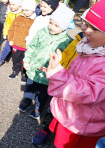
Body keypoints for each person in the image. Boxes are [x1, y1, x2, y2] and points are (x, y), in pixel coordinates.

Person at [44, 0, 105, 148]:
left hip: (85, 125)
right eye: (85, 24)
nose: (84, 29)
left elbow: (90, 92)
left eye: (93, 28)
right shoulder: (90, 47)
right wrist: (58, 70)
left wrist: (59, 75)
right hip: (73, 113)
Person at [32, 10, 89, 146]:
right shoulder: (79, 38)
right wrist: (56, 68)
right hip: (63, 77)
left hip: (76, 85)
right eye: (85, 24)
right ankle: (46, 128)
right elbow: (67, 54)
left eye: (87, 25)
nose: (82, 27)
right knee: (54, 105)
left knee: (69, 112)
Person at [18, 5, 74, 120]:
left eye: (56, 25)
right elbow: (32, 47)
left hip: (49, 74)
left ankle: (38, 107)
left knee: (43, 93)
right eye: (51, 23)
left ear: (64, 27)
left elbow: (66, 59)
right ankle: (27, 100)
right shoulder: (42, 32)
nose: (52, 27)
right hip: (35, 68)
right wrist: (27, 60)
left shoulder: (66, 41)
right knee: (30, 86)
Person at [7, 0, 37, 82]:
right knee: (16, 59)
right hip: (16, 44)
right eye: (23, 10)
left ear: (33, 10)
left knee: (25, 60)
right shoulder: (18, 18)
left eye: (27, 10)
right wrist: (11, 39)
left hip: (27, 46)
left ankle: (24, 73)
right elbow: (11, 29)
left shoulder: (35, 20)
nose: (24, 12)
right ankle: (15, 70)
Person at [0, 0, 24, 67]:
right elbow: (7, 24)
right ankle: (1, 60)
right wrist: (5, 33)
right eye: (10, 4)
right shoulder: (10, 14)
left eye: (13, 4)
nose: (11, 6)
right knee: (6, 48)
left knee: (17, 50)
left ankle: (16, 64)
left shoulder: (22, 14)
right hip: (11, 35)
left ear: (19, 5)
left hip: (19, 36)